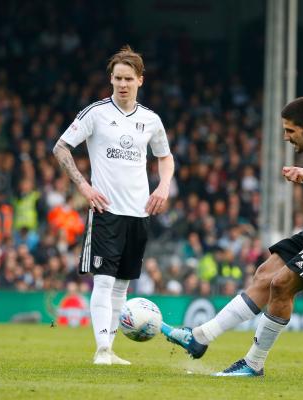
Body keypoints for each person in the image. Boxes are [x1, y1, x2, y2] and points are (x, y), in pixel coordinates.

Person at [162, 97, 303, 376]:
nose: (286, 137)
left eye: (290, 131)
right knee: (266, 274)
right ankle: (201, 337)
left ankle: (253, 364)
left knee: (282, 284)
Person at [53, 45, 174, 365]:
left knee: (122, 285)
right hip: (105, 211)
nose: (122, 84)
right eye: (117, 78)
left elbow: (165, 157)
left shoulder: (150, 120)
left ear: (140, 81)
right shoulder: (96, 113)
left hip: (139, 212)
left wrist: (163, 185)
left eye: (128, 79)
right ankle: (102, 349)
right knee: (103, 281)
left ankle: (111, 348)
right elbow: (61, 147)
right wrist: (83, 186)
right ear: (111, 79)